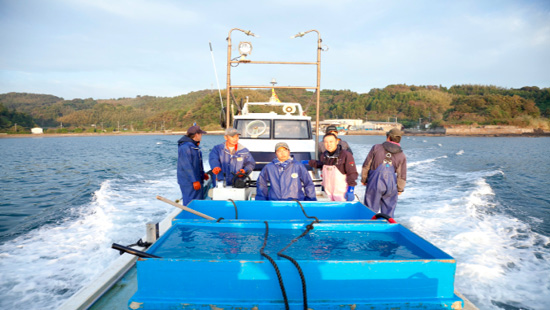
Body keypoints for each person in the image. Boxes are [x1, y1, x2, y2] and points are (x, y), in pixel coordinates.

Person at [361, 128, 407, 217]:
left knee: (370, 210)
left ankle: (370, 227)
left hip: (374, 182)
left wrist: (364, 179)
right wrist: (400, 188)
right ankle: (386, 226)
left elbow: (366, 165)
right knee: (388, 212)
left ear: (388, 137)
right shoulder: (401, 155)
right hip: (391, 185)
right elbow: (402, 174)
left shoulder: (376, 147)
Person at [309, 134, 358, 201]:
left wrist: (351, 190)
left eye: (331, 142)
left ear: (336, 142)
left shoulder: (346, 155)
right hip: (328, 194)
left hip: (342, 194)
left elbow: (351, 173)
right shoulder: (324, 155)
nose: (328, 144)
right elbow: (321, 164)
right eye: (326, 142)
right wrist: (309, 162)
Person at [177, 125, 209, 206]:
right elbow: (187, 165)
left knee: (198, 202)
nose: (202, 135)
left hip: (196, 179)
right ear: (196, 135)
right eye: (201, 134)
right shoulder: (185, 147)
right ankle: (189, 217)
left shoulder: (193, 146)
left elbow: (197, 163)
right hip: (189, 181)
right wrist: (194, 181)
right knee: (190, 202)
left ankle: (197, 217)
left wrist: (202, 174)